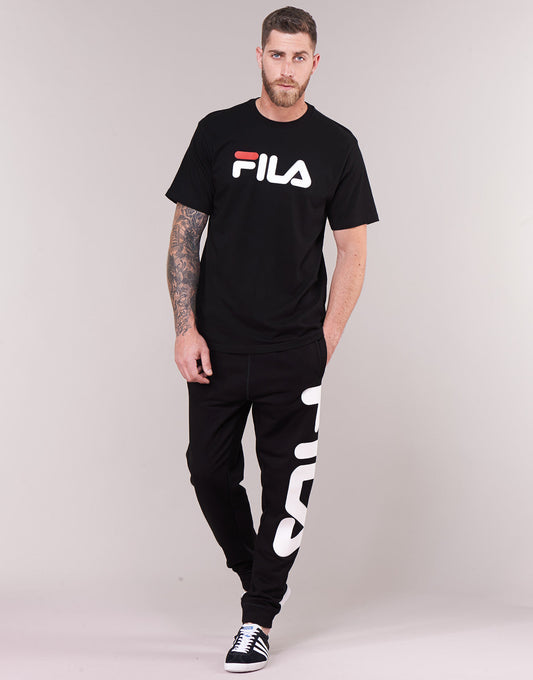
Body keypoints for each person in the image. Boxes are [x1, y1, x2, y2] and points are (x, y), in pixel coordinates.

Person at [165, 5, 379, 673]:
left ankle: (257, 617)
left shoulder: (336, 145)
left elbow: (352, 250)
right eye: (276, 55)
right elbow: (184, 237)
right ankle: (255, 570)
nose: (286, 69)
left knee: (287, 488)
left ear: (314, 63)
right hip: (218, 346)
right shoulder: (218, 131)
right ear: (258, 56)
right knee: (209, 471)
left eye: (298, 57)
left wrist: (327, 338)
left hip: (293, 350)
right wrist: (185, 328)